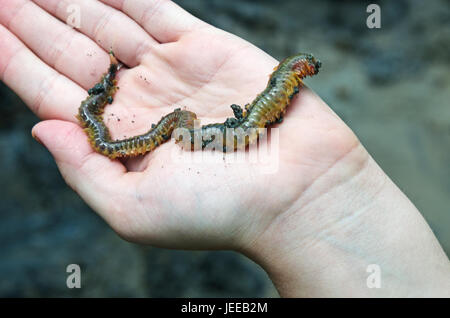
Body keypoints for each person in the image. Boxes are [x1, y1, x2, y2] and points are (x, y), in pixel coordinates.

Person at [0, 0, 448, 297]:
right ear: (298, 72)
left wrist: (314, 204)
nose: (307, 71)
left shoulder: (276, 94)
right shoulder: (256, 104)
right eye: (305, 68)